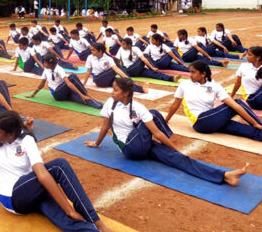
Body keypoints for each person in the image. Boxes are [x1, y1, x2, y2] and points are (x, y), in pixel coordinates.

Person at [0, 110, 119, 232]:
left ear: (11, 134)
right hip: (12, 196)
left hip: (30, 192)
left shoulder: (26, 140)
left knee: (68, 221)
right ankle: (99, 224)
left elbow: (41, 175)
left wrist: (67, 212)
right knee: (59, 166)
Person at [85, 78, 250, 187]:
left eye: (115, 90)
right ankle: (171, 144)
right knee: (155, 115)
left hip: (142, 144)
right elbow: (105, 126)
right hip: (131, 148)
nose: (111, 92)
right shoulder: (110, 103)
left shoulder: (137, 107)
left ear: (126, 93)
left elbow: (156, 134)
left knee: (179, 159)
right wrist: (97, 143)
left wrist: (176, 152)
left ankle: (225, 176)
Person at [166, 60, 262, 141]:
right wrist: (167, 119)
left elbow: (235, 107)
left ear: (203, 74)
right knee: (237, 102)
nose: (190, 75)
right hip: (201, 122)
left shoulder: (214, 86)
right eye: (190, 72)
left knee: (249, 131)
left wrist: (254, 125)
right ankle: (259, 124)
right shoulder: (184, 84)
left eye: (193, 72)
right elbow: (175, 104)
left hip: (213, 120)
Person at [27, 54, 103, 109]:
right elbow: (42, 84)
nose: (44, 64)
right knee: (73, 77)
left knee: (81, 99)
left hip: (65, 92)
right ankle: (88, 95)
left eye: (45, 63)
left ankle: (98, 104)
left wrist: (81, 96)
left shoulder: (59, 69)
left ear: (51, 64)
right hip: (58, 94)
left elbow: (69, 84)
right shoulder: (47, 70)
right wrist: (33, 94)